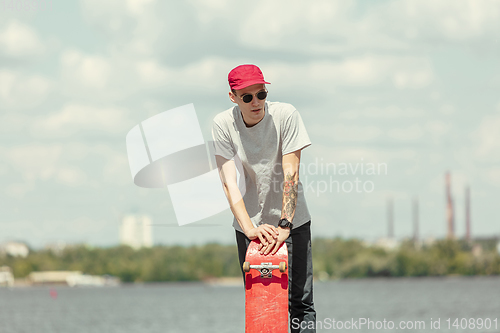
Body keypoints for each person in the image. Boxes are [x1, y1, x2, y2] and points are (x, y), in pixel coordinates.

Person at [211, 64, 316, 333]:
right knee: (262, 301)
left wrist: (285, 224)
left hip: (293, 222)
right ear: (233, 97)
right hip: (250, 225)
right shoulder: (223, 124)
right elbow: (228, 181)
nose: (256, 102)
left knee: (300, 304)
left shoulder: (286, 115)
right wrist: (248, 228)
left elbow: (291, 171)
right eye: (247, 97)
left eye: (262, 94)